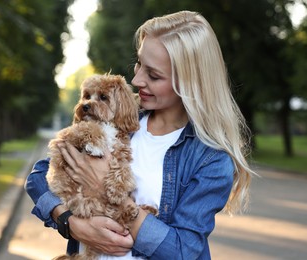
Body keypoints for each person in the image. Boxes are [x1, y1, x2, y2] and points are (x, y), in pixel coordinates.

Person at [25, 10, 254, 259]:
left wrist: (108, 190)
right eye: (139, 64)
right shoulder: (118, 119)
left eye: (153, 75)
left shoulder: (210, 158)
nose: (136, 79)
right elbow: (38, 176)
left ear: (189, 82)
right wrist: (69, 222)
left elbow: (182, 251)